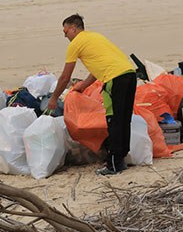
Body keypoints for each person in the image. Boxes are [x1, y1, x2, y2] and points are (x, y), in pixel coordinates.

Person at [46, 14, 136, 175]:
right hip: (129, 74)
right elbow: (98, 67)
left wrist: (53, 98)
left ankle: (114, 164)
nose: (65, 35)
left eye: (65, 31)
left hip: (114, 78)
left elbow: (65, 76)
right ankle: (121, 158)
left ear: (73, 28)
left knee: (114, 120)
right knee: (124, 119)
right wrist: (83, 86)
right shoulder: (95, 37)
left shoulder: (76, 44)